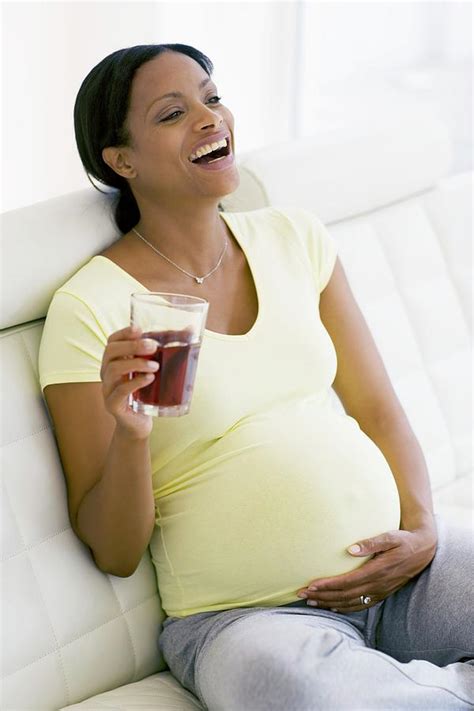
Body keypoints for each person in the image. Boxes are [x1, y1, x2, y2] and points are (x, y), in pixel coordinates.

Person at [38, 44, 473, 710]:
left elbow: (380, 409)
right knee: (306, 695)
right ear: (121, 161)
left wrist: (420, 532)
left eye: (212, 98)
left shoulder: (294, 238)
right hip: (250, 620)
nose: (210, 118)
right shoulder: (90, 307)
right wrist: (130, 434)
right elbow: (114, 550)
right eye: (172, 113)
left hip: (402, 574)